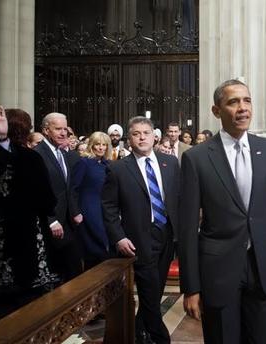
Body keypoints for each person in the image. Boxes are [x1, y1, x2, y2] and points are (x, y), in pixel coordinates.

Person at [178, 79, 266, 343]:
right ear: (216, 110)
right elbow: (186, 228)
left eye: (247, 100)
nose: (243, 108)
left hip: (261, 266)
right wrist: (191, 287)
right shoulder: (196, 158)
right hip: (218, 270)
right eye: (233, 102)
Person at [102, 117, 180, 344]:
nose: (142, 137)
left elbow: (178, 198)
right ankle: (160, 338)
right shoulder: (118, 169)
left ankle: (138, 330)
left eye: (146, 132)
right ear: (129, 138)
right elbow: (108, 206)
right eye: (136, 133)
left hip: (166, 236)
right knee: (148, 291)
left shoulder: (170, 163)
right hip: (138, 239)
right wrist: (119, 237)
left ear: (155, 136)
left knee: (155, 291)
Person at [0, 107, 59, 321]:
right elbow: (47, 201)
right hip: (18, 247)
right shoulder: (29, 158)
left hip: (14, 249)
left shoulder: (26, 157)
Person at [34, 112, 83, 282]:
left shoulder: (61, 153)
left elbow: (67, 188)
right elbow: (37, 192)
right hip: (51, 225)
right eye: (58, 129)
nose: (63, 133)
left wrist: (75, 211)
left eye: (65, 129)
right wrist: (51, 219)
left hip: (67, 222)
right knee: (59, 274)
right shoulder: (38, 154)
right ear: (46, 130)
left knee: (73, 271)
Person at [71, 132, 112, 269]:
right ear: (91, 146)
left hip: (105, 210)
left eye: (104, 145)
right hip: (88, 211)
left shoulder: (108, 164)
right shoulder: (84, 162)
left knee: (106, 249)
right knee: (94, 250)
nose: (101, 148)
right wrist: (76, 212)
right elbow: (73, 189)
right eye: (97, 144)